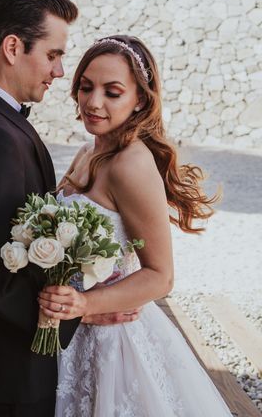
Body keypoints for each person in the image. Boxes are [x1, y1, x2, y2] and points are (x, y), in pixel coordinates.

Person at [0, 0, 138, 417]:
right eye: (52, 55)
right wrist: (76, 315)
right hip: (10, 359)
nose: (60, 71)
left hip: (16, 350)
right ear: (12, 47)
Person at [37, 35, 231, 416]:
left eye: (112, 92)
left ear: (139, 99)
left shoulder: (131, 165)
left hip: (115, 343)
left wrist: (86, 304)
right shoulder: (87, 152)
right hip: (73, 332)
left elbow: (160, 276)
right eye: (86, 87)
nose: (93, 102)